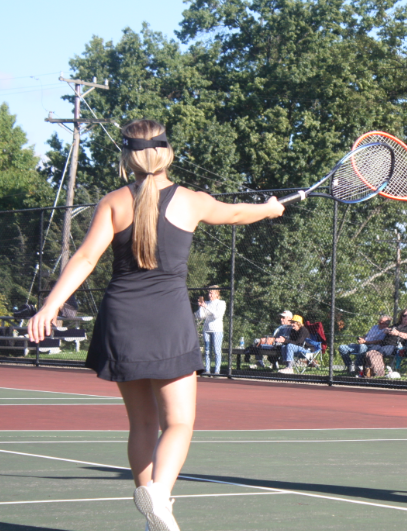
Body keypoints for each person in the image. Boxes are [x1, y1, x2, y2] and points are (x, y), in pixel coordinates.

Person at [26, 119, 284, 531]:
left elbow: (85, 259)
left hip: (121, 318)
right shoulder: (191, 200)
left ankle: (154, 517)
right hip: (168, 318)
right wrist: (271, 209)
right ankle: (159, 495)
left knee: (142, 424)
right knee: (179, 423)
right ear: (167, 153)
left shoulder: (112, 201)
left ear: (127, 157)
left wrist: (49, 307)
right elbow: (236, 213)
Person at [361, 309, 407, 377]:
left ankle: (379, 372)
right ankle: (368, 373)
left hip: (396, 347)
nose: (406, 317)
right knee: (369, 352)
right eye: (404, 315)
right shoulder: (396, 325)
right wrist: (386, 330)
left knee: (377, 352)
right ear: (401, 317)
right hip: (383, 344)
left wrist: (397, 333)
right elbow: (387, 329)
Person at [194, 285, 226, 375]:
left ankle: (217, 371)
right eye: (209, 293)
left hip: (217, 330)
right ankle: (207, 370)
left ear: (216, 294)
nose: (209, 295)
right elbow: (200, 316)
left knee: (216, 350)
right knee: (207, 350)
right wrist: (201, 306)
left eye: (211, 293)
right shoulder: (206, 303)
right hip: (206, 329)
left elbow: (216, 315)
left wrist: (206, 307)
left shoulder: (221, 303)